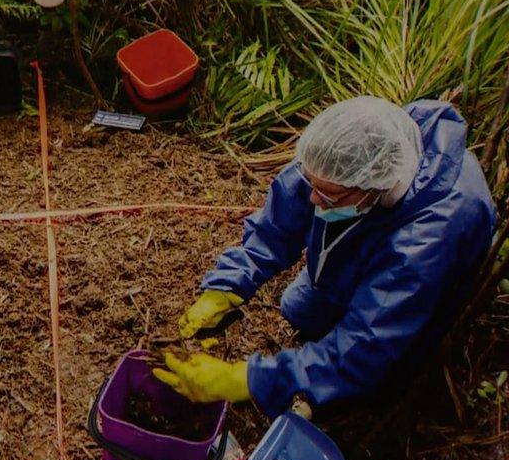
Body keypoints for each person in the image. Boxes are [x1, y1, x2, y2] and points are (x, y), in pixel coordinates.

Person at [153, 96, 497, 418]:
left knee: (377, 374)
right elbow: (279, 222)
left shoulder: (428, 237)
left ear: (376, 187)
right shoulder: (353, 151)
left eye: (328, 195)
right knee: (298, 308)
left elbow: (364, 345)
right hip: (374, 245)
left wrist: (248, 380)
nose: (314, 200)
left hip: (421, 297)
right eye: (312, 184)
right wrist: (229, 284)